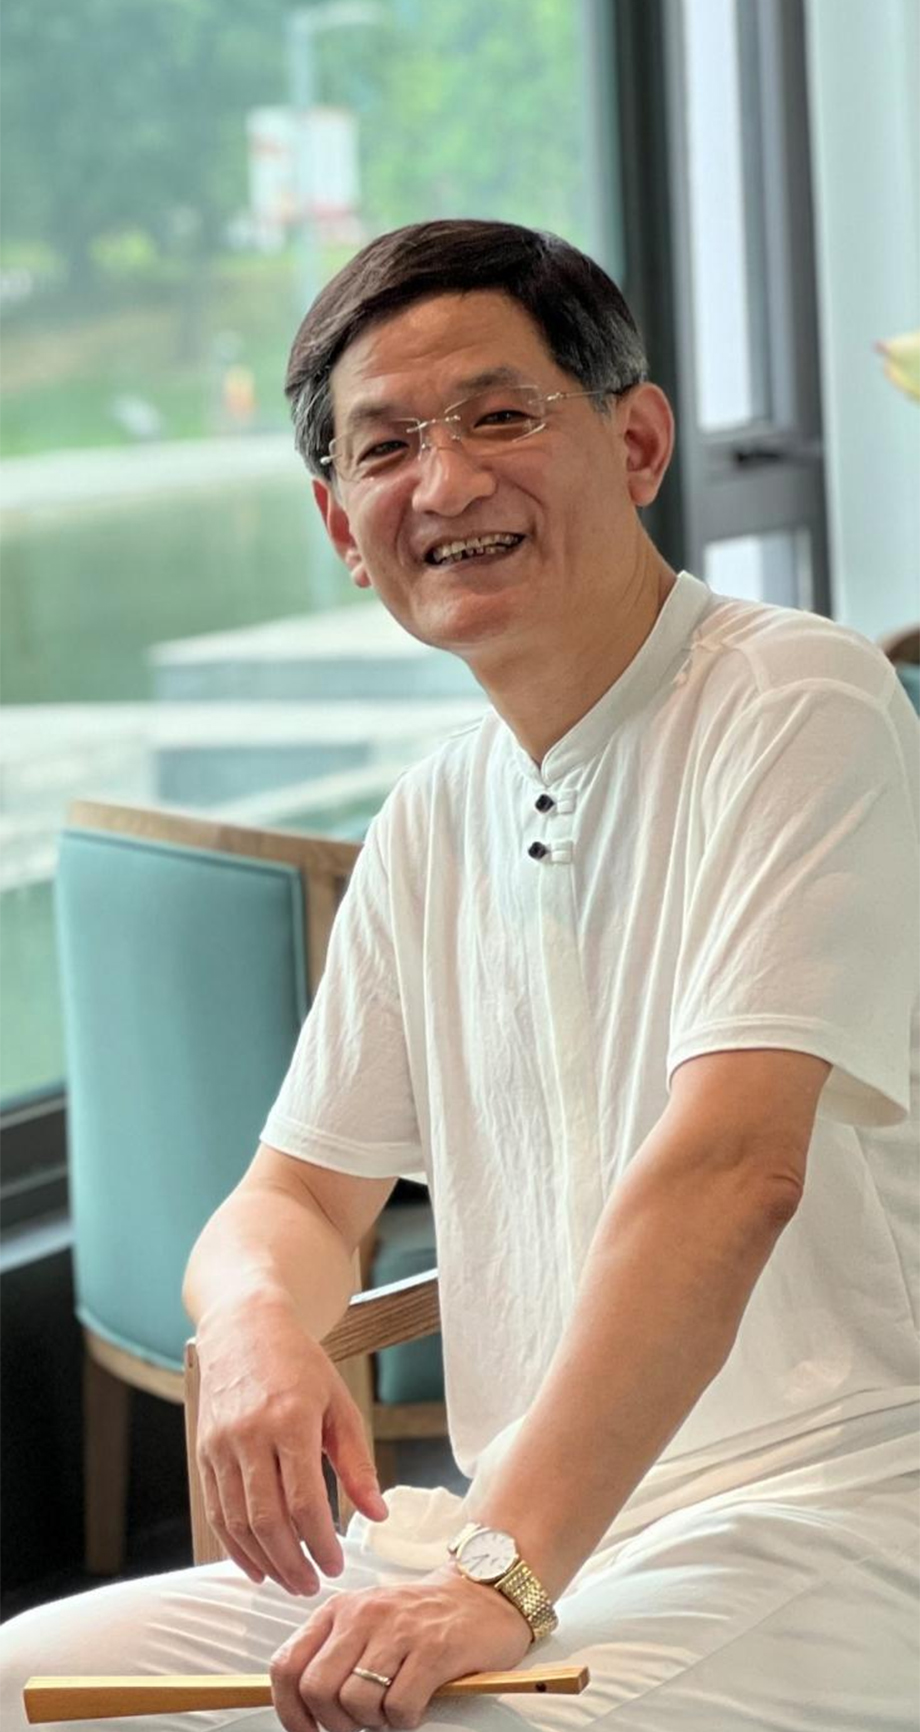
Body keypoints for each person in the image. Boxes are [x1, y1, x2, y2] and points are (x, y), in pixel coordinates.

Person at [2, 219, 917, 1731]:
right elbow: (297, 1201)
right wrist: (253, 1324)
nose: (445, 483)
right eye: (386, 447)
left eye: (501, 416)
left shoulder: (799, 701)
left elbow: (731, 1169)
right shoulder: (434, 809)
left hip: (827, 1509)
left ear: (636, 441)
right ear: (341, 525)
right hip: (518, 1534)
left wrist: (501, 1571)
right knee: (25, 1680)